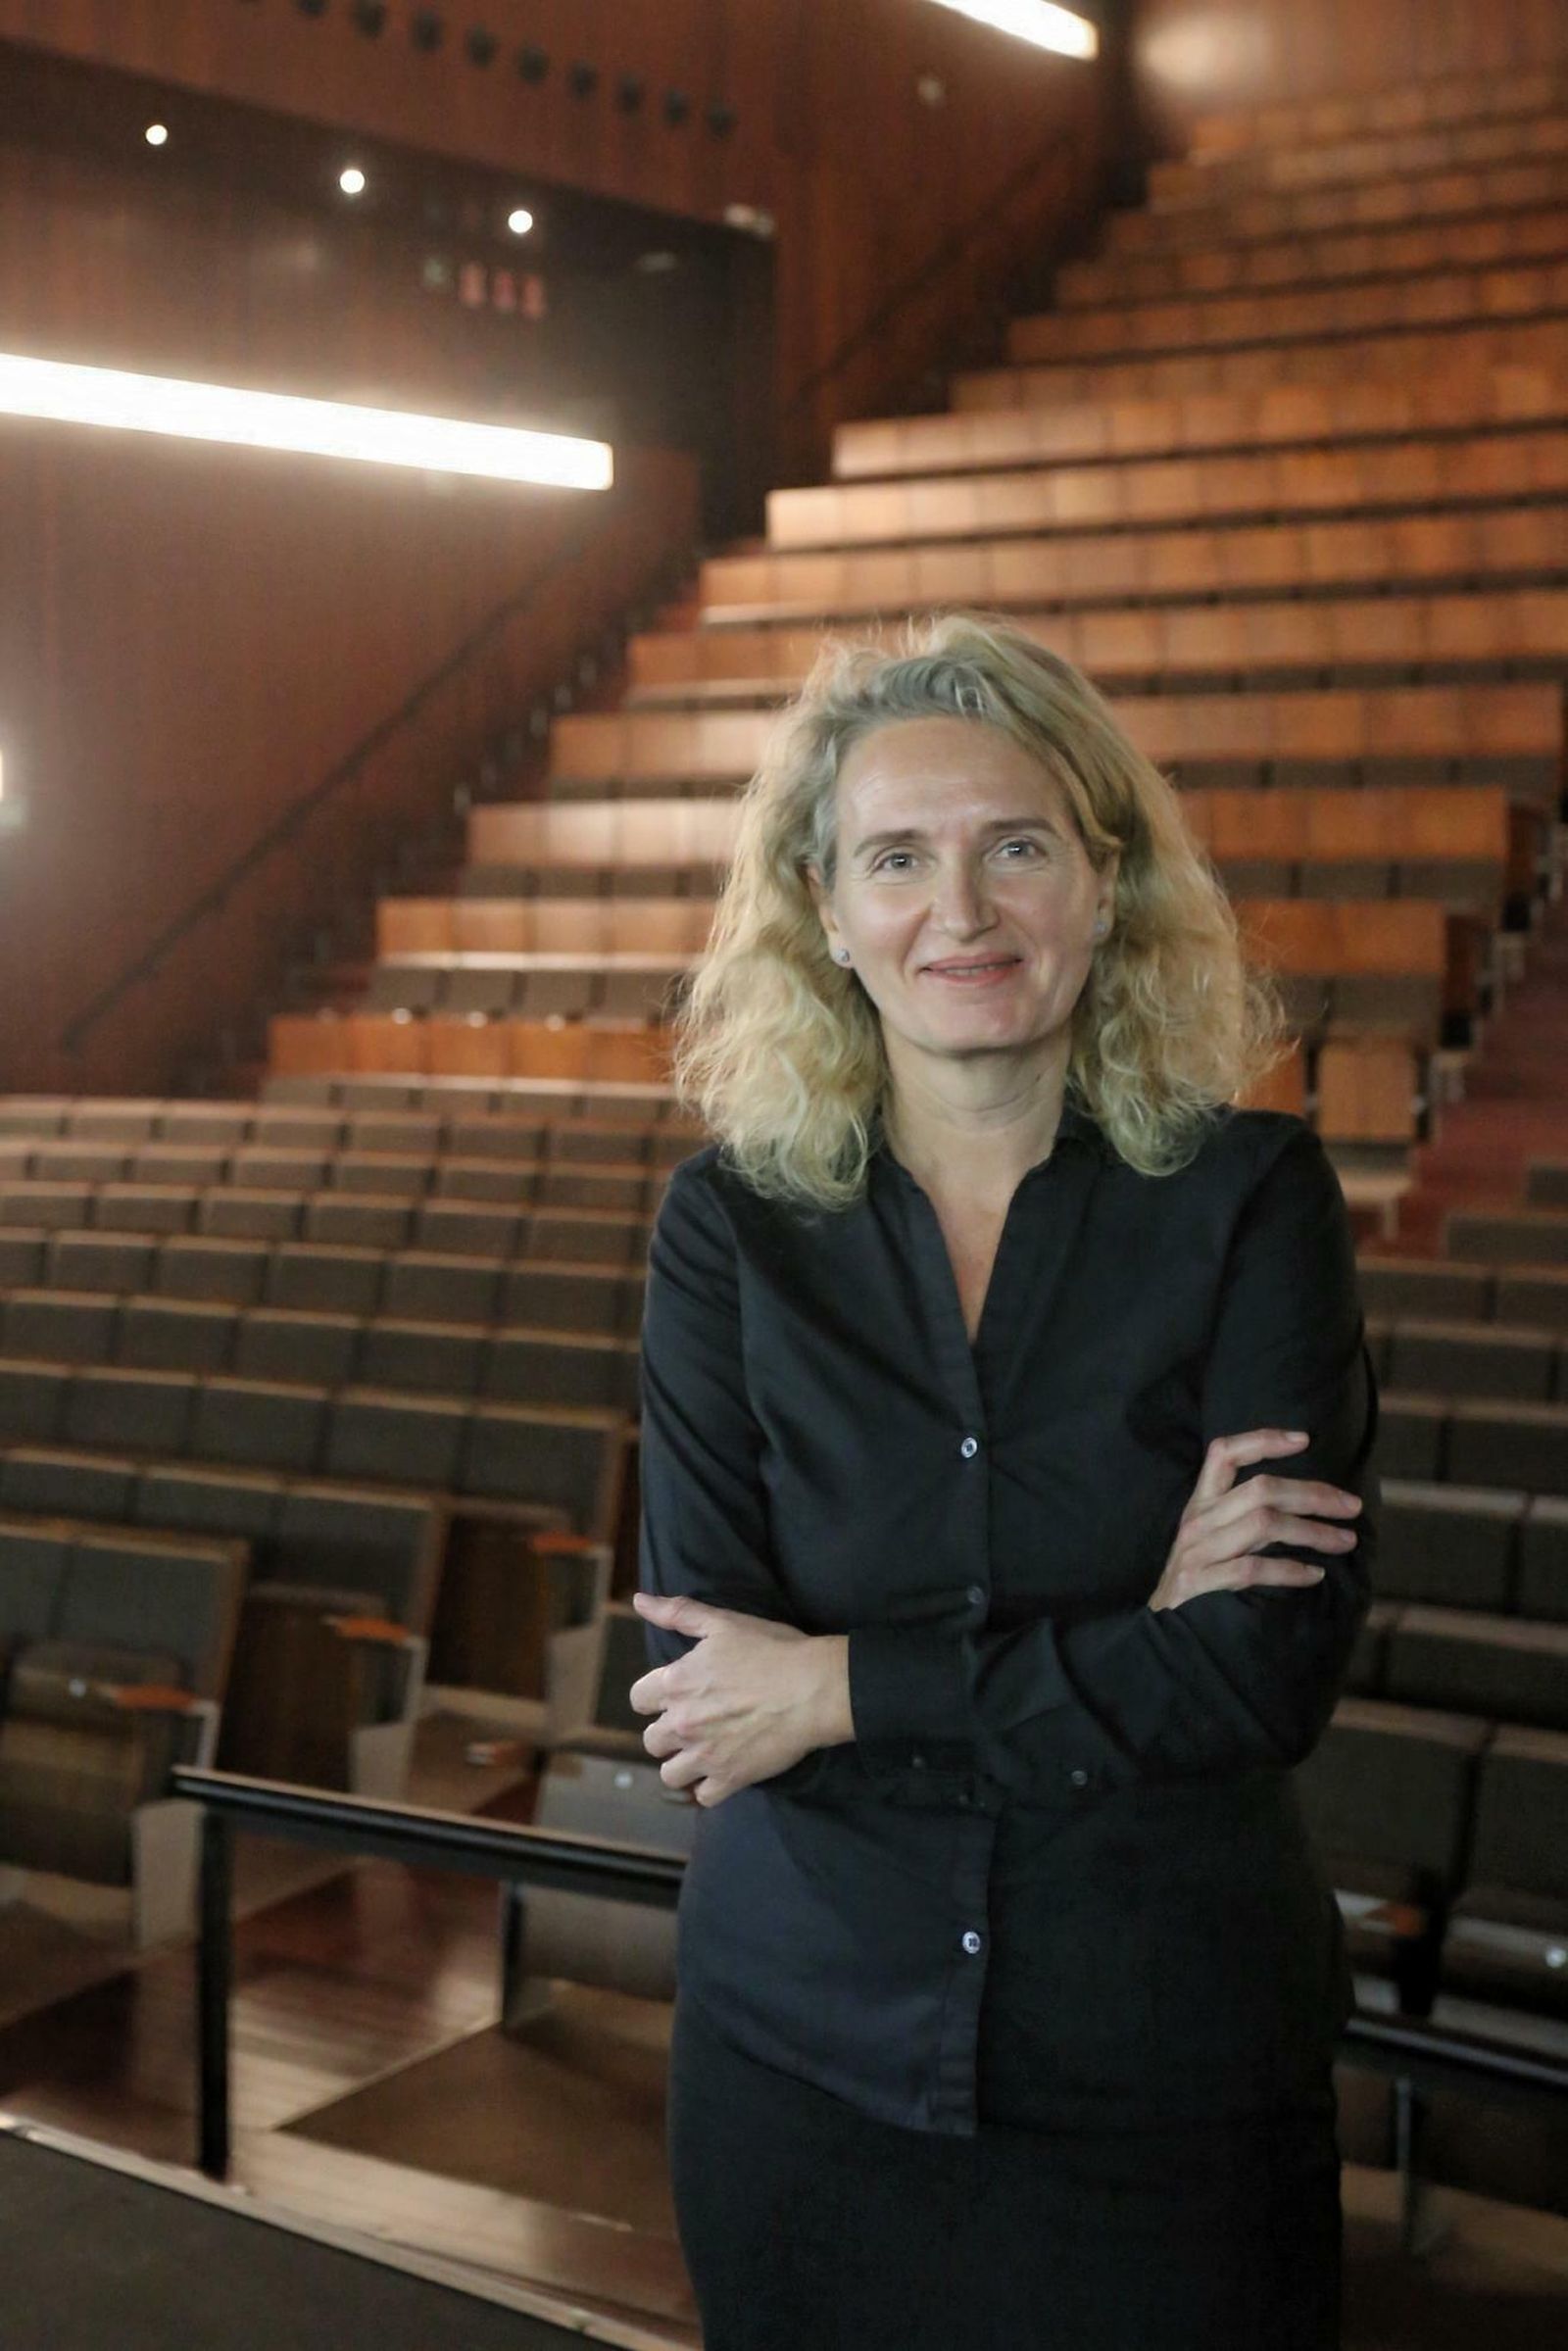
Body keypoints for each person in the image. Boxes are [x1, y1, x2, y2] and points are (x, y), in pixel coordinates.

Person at [628, 614, 1380, 2350]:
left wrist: (837, 1686)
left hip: (1166, 2079)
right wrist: (1128, 1645)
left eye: (1015, 847)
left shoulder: (1251, 1206)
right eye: (899, 858)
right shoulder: (730, 1236)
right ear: (827, 911)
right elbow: (696, 1704)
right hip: (798, 2069)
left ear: (1105, 884)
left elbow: (1263, 1673)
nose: (958, 914)